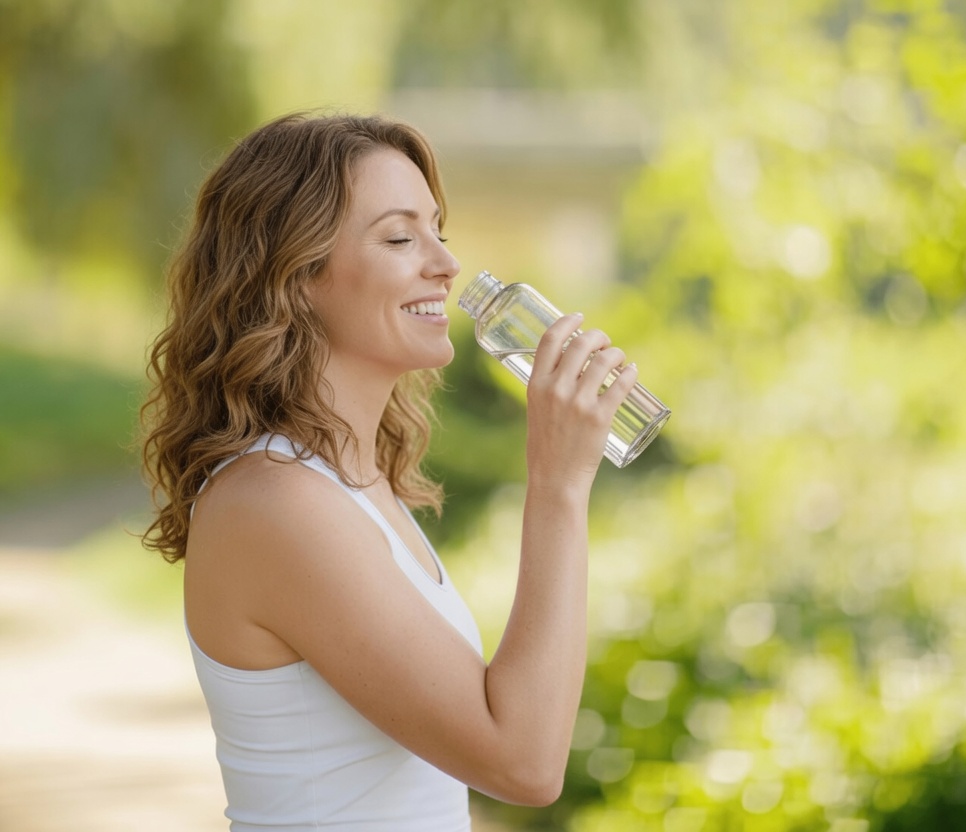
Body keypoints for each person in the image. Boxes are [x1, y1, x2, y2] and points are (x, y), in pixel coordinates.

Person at [140, 111, 640, 830]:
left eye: (438, 231)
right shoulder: (276, 502)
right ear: (296, 274)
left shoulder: (351, 486)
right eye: (401, 237)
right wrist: (557, 486)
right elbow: (522, 763)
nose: (444, 263)